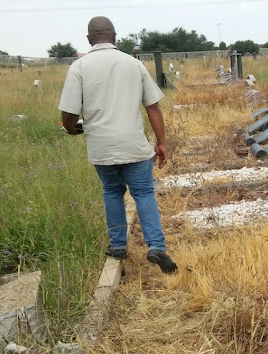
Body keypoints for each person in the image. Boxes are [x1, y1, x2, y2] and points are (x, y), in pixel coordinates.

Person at [59, 16, 178, 274]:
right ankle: (156, 246)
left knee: (112, 192)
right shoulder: (133, 64)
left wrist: (71, 128)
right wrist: (162, 143)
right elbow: (153, 106)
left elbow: (68, 113)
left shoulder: (79, 67)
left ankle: (117, 246)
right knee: (144, 193)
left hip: (102, 149)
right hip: (134, 146)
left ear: (89, 39)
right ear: (115, 37)